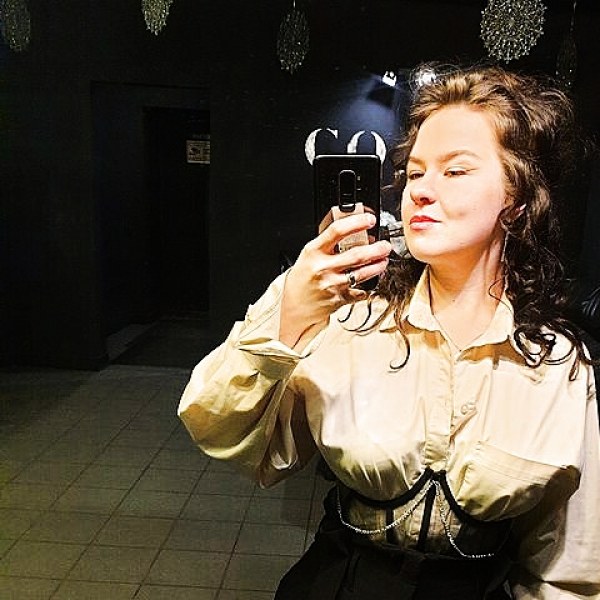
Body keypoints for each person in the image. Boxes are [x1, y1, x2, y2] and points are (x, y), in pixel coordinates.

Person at [178, 65, 600, 599]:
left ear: (515, 199)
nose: (420, 191)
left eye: (455, 171)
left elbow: (568, 563)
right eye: (415, 173)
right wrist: (289, 315)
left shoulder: (557, 363)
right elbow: (222, 435)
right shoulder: (353, 321)